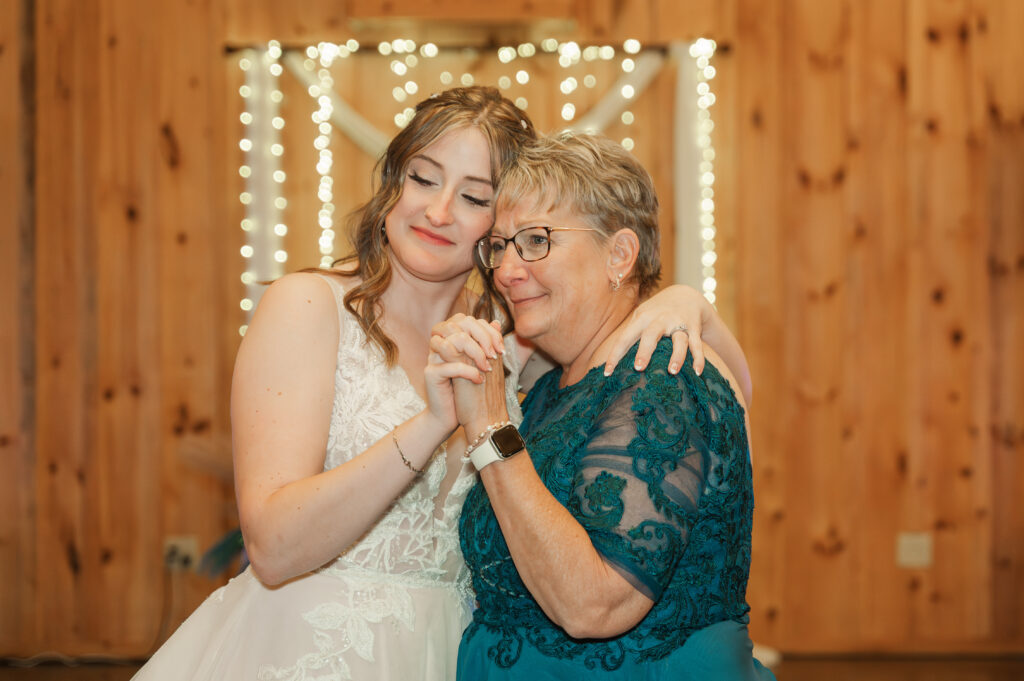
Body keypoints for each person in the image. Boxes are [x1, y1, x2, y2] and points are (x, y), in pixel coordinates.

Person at [133, 87, 746, 681]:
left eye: (474, 196)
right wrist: (431, 424)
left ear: (500, 221)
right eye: (423, 178)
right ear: (393, 182)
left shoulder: (515, 336)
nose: (437, 210)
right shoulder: (310, 307)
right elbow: (270, 547)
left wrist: (690, 306)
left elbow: (717, 405)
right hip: (317, 648)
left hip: (448, 652)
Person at [432, 132, 775, 680]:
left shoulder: (664, 379)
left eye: (536, 241)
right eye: (499, 246)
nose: (506, 270)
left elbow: (593, 605)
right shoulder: (549, 392)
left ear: (619, 254)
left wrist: (491, 427)